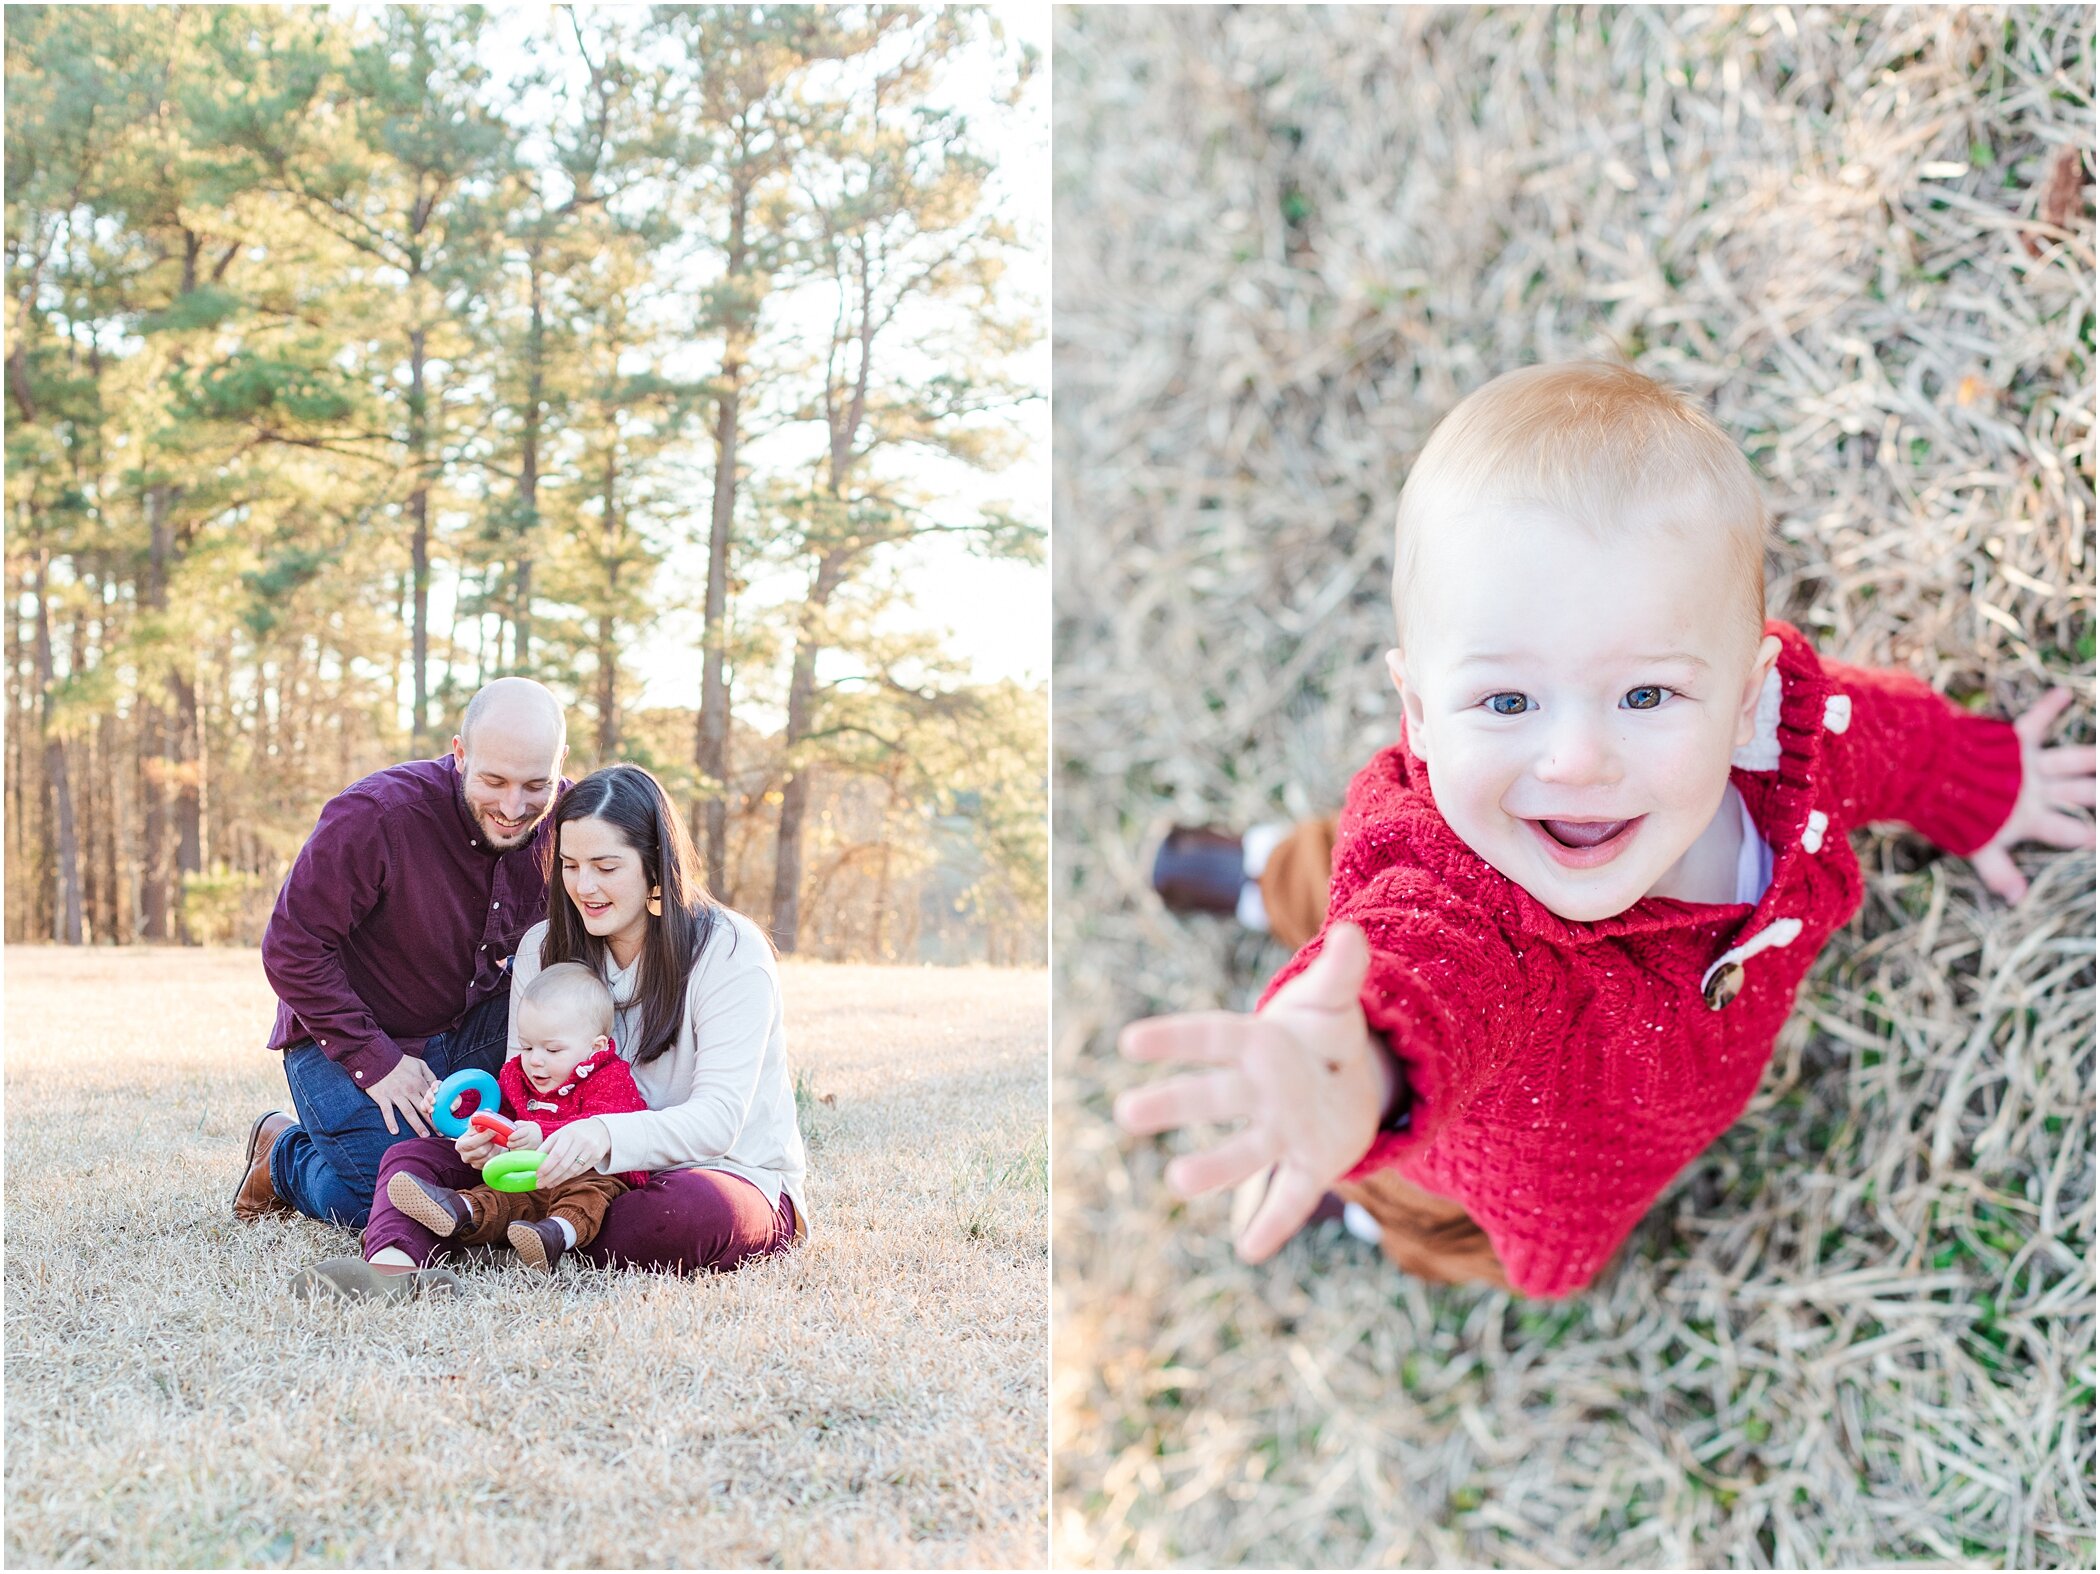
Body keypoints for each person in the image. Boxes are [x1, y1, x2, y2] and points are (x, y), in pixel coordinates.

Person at [1116, 362, 2095, 1299]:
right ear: (1417, 714)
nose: (1576, 758)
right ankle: (1273, 914)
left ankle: (1267, 873)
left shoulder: (1794, 749)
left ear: (1749, 700)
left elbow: (1890, 741)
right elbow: (1428, 961)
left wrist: (1985, 783)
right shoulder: (1465, 913)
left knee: (1346, 887)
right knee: (1365, 983)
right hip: (1446, 1124)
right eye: (1506, 699)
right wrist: (1361, 1063)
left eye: (1644, 691)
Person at [301, 763, 808, 1298]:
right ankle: (394, 1268)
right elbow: (524, 1081)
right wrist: (494, 1137)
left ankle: (507, 1225)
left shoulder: (729, 950)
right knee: (410, 1158)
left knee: (662, 1219)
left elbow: (718, 1122)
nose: (584, 887)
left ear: (656, 866)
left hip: (712, 1172)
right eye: (569, 865)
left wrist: (600, 1136)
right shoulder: (543, 950)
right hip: (556, 1163)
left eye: (606, 867)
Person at [234, 677, 569, 1262]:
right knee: (392, 1203)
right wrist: (377, 1061)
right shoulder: (377, 814)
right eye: (493, 781)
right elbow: (290, 946)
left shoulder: (574, 824)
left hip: (475, 1024)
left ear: (559, 766)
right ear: (460, 753)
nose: (515, 808)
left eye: (535, 785)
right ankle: (283, 1153)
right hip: (352, 1037)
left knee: (507, 1184)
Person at [384, 963, 651, 1273]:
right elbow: (496, 1109)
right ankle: (459, 1209)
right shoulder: (519, 1075)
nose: (535, 1060)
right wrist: (458, 1103)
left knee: (587, 1195)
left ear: (596, 1047)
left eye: (552, 1049)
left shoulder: (610, 1077)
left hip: (589, 1176)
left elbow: (612, 1127)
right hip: (530, 1180)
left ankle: (555, 1235)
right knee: (498, 1196)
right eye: (527, 1046)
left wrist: (544, 1134)